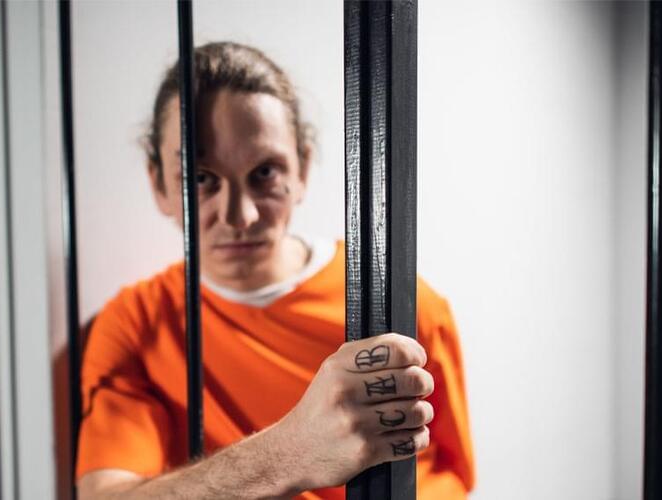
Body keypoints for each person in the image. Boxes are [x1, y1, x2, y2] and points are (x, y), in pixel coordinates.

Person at [76, 42, 474, 499]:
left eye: (265, 173)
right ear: (159, 185)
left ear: (302, 169)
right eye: (200, 178)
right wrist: (290, 453)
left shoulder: (403, 305)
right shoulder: (138, 323)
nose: (240, 216)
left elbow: (447, 478)